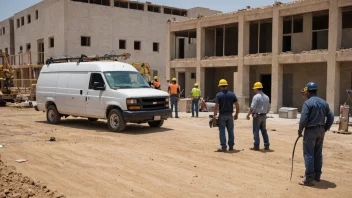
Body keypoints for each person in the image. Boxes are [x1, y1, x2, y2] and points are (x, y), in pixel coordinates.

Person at [298, 82, 334, 186]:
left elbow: (303, 119)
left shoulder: (307, 103)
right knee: (318, 153)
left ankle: (309, 179)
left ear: (308, 91)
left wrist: (300, 130)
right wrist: (325, 128)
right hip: (321, 131)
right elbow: (331, 117)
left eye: (305, 92)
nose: (305, 93)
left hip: (310, 131)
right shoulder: (324, 103)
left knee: (308, 154)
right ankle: (317, 176)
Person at [213, 79, 240, 152]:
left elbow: (216, 106)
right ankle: (231, 146)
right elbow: (237, 105)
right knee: (230, 131)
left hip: (222, 115)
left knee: (222, 131)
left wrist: (214, 115)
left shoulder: (218, 95)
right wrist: (236, 114)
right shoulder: (232, 94)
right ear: (227, 86)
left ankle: (223, 147)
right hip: (230, 115)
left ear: (220, 87)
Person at [246, 82, 271, 151]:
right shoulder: (267, 97)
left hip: (257, 115)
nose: (254, 90)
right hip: (264, 115)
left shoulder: (256, 97)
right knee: (264, 130)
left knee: (256, 130)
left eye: (254, 89)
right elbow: (268, 107)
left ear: (256, 89)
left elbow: (252, 108)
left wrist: (248, 115)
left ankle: (256, 146)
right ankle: (267, 145)